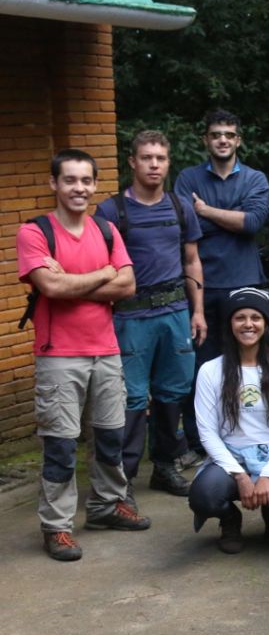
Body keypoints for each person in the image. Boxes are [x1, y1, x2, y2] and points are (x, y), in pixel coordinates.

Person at [17, 149, 146, 561]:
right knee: (60, 445)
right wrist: (103, 274)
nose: (79, 188)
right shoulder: (35, 232)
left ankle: (107, 507)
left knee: (111, 436)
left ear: (94, 185)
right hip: (59, 356)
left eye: (86, 181)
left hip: (106, 350)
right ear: (54, 184)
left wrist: (73, 280)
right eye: (70, 180)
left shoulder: (106, 230)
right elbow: (50, 290)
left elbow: (127, 286)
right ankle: (56, 526)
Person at [97, 130, 205, 498]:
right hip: (130, 318)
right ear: (132, 161)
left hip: (175, 313)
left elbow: (192, 260)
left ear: (168, 162)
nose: (154, 164)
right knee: (130, 399)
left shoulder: (179, 206)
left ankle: (164, 466)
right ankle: (121, 478)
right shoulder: (112, 211)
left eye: (160, 158)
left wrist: (199, 311)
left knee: (172, 392)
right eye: (147, 157)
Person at [174, 109, 269, 459]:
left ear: (238, 140)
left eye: (229, 134)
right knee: (201, 367)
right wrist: (228, 217)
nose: (223, 140)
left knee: (247, 364)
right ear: (206, 140)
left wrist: (207, 212)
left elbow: (252, 223)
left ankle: (246, 433)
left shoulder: (255, 179)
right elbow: (187, 227)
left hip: (245, 284)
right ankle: (200, 441)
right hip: (201, 287)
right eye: (216, 134)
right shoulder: (187, 178)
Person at [189, 288, 269, 554]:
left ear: (266, 324)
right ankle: (229, 519)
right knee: (204, 497)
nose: (248, 324)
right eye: (240, 317)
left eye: (256, 317)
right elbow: (208, 432)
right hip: (229, 456)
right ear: (229, 324)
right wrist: (240, 476)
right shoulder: (210, 371)